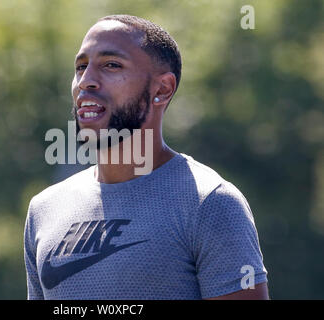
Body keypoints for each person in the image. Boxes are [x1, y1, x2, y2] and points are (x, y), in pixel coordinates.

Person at [24, 14, 269, 300]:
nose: (85, 82)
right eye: (80, 67)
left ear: (162, 89)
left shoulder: (211, 203)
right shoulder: (44, 209)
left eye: (111, 65)